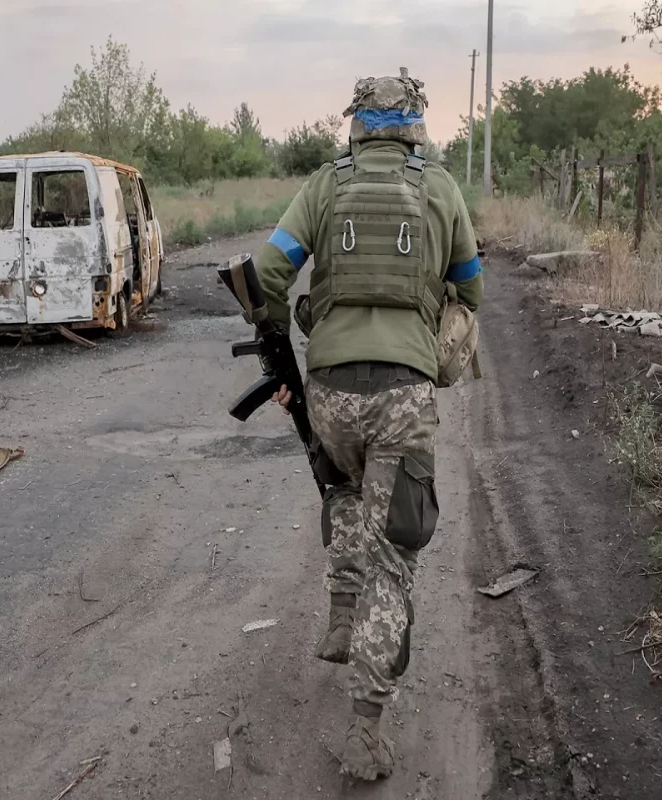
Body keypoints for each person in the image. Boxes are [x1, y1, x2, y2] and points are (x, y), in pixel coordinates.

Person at [254, 68, 484, 780]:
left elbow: (267, 270)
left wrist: (282, 354)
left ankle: (341, 618)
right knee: (396, 556)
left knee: (346, 490)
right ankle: (364, 730)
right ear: (416, 122)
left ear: (355, 122)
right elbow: (471, 290)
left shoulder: (325, 185)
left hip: (330, 393)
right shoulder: (440, 189)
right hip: (402, 397)